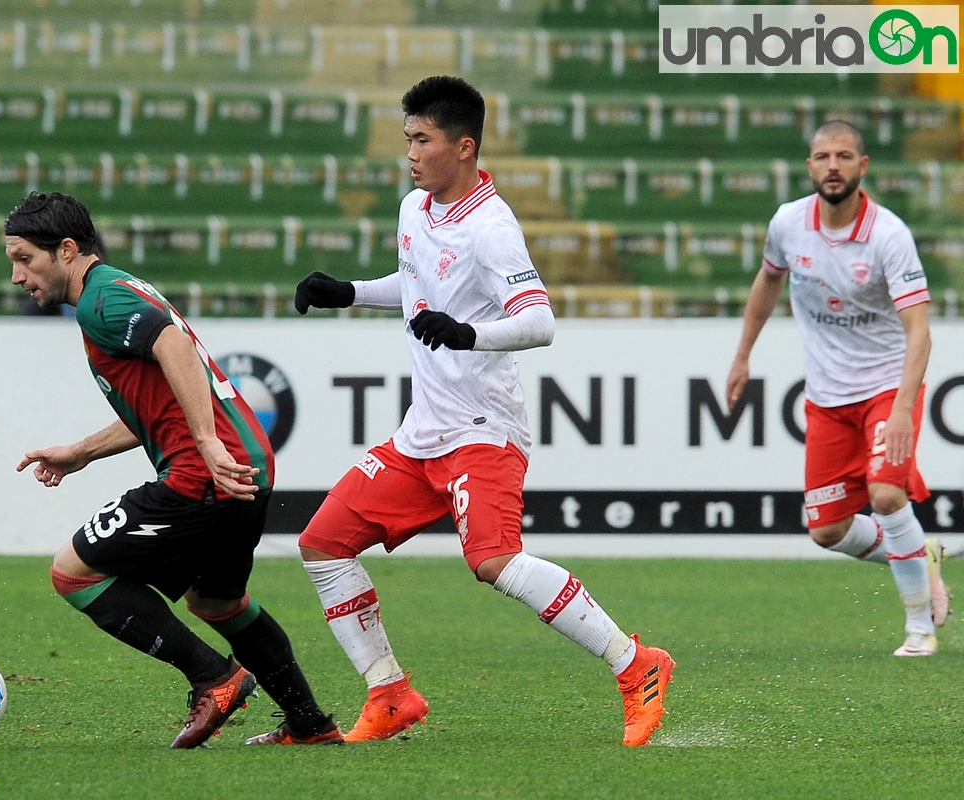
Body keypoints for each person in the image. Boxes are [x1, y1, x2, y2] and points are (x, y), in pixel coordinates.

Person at [291, 76, 675, 747]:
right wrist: (348, 290)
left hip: (483, 432)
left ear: (463, 147)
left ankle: (636, 662)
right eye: (407, 138)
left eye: (422, 139)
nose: (409, 153)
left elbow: (539, 321)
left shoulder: (493, 229)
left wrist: (471, 333)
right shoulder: (416, 208)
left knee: (494, 561)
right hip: (422, 436)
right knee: (323, 543)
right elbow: (416, 284)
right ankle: (388, 694)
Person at [5, 191, 342, 747]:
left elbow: (174, 344)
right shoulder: (118, 288)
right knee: (217, 601)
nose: (18, 276)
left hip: (201, 475)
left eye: (24, 258)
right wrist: (83, 451)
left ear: (65, 250)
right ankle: (308, 724)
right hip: (247, 466)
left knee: (74, 573)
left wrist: (206, 443)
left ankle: (216, 677)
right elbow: (162, 404)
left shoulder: (99, 301)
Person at [727, 120, 950, 657]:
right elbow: (769, 279)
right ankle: (922, 553)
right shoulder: (788, 223)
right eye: (823, 156)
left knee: (887, 495)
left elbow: (920, 332)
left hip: (886, 389)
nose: (833, 166)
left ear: (862, 167)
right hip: (828, 398)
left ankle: (920, 627)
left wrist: (901, 411)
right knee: (826, 531)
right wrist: (742, 355)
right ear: (809, 167)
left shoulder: (888, 235)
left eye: (844, 156)